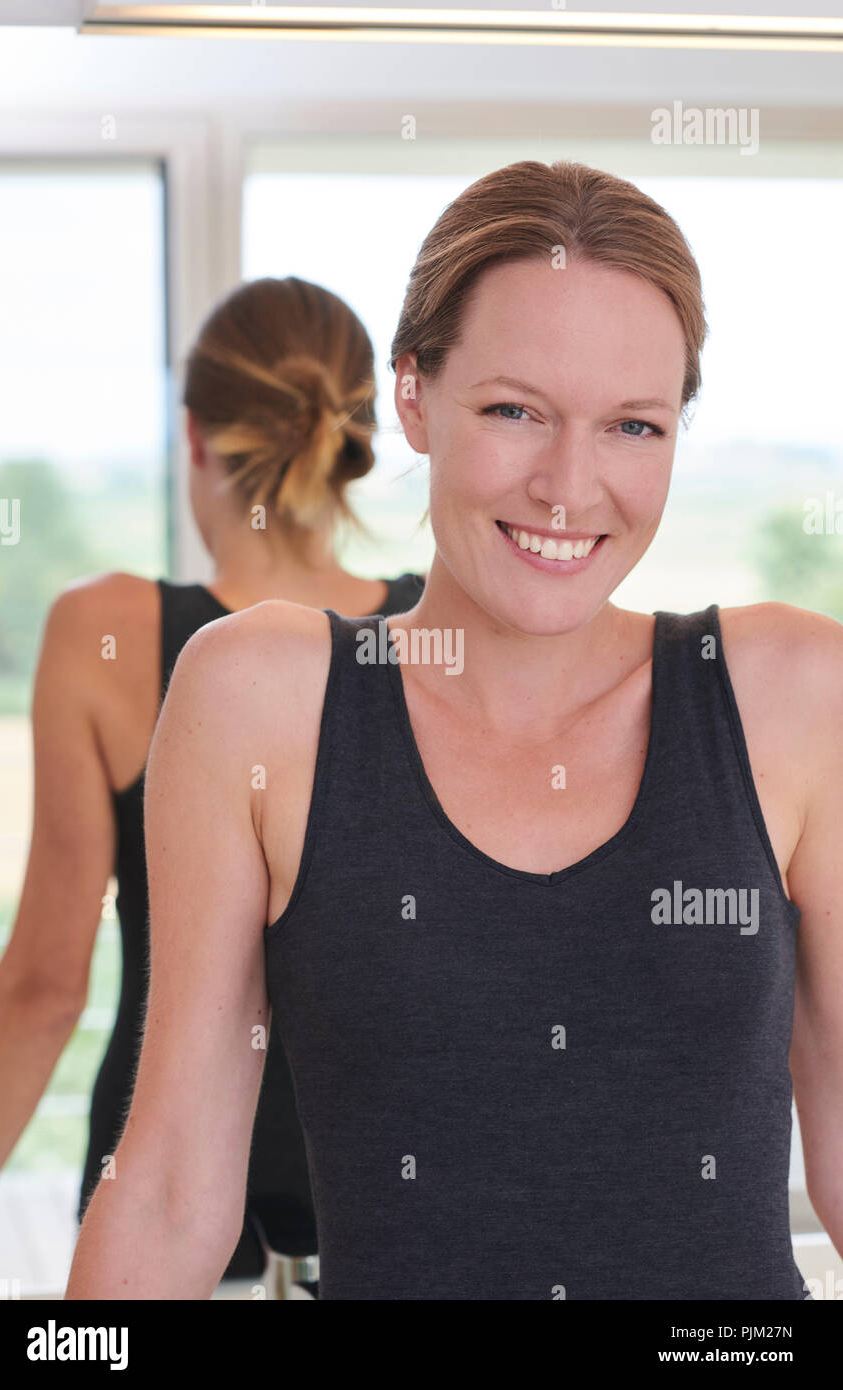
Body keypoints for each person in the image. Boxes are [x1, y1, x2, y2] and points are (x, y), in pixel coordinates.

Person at [65, 160, 843, 1300]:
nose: (568, 488)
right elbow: (175, 1182)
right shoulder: (260, 698)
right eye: (514, 411)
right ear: (414, 395)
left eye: (631, 424)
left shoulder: (788, 690)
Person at [0, 275, 424, 1294]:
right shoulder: (438, 636)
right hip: (391, 1230)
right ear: (360, 434)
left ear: (193, 439)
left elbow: (45, 990)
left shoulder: (105, 638)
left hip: (163, 1230)